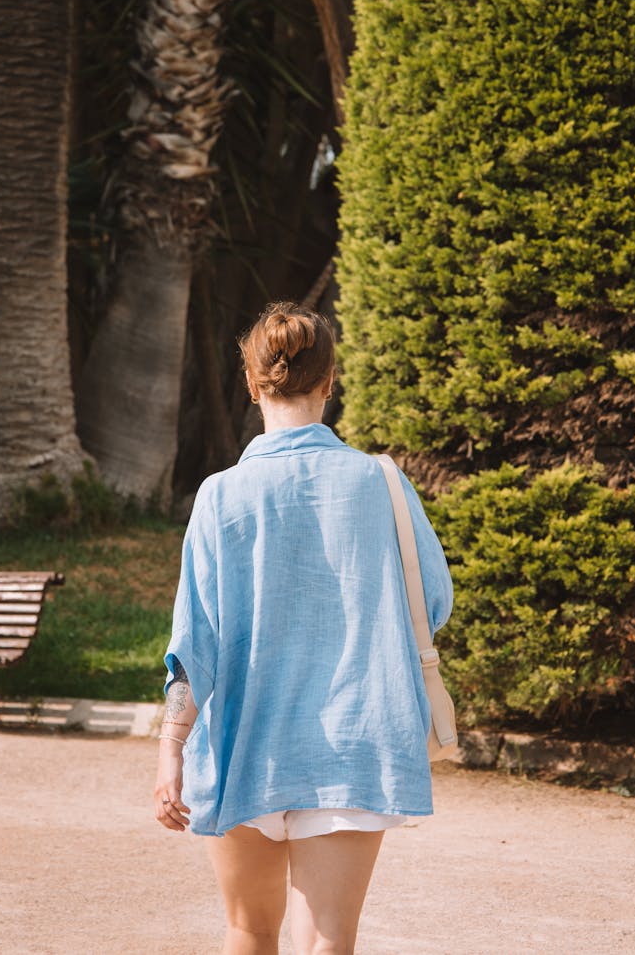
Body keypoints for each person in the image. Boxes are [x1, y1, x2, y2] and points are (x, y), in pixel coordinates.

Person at [153, 301, 453, 955]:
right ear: (330, 379)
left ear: (254, 383)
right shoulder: (386, 486)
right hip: (353, 744)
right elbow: (432, 602)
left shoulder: (220, 495)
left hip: (246, 742)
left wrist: (172, 747)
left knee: (249, 931)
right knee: (327, 940)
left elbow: (193, 641)